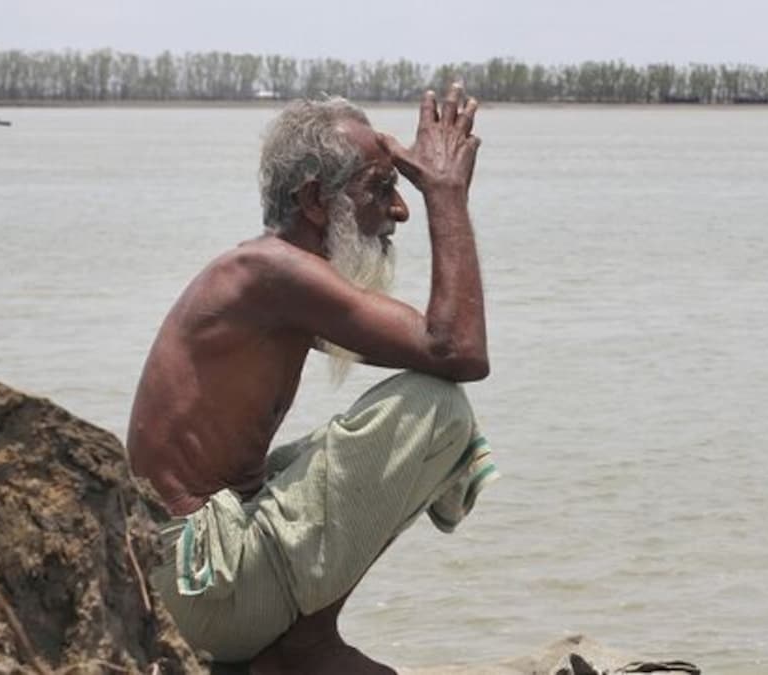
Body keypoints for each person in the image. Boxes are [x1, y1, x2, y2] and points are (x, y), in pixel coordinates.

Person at [126, 84, 496, 674]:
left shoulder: (274, 282)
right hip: (202, 591)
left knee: (404, 427)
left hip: (187, 582)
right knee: (436, 408)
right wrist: (445, 192)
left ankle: (297, 638)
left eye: (399, 191)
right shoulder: (273, 274)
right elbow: (458, 350)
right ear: (315, 201)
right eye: (380, 188)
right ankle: (304, 644)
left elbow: (435, 345)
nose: (399, 209)